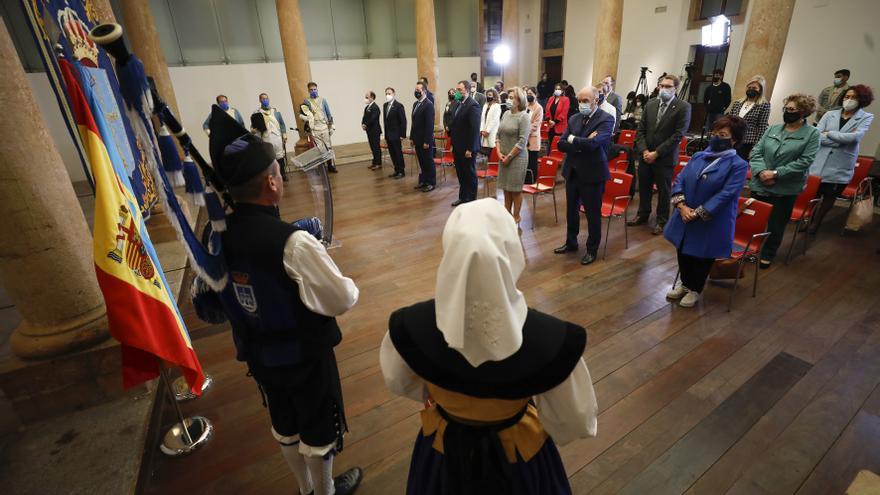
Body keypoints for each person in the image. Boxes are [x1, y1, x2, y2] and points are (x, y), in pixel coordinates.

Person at [380, 198, 598, 495]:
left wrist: (447, 394)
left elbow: (399, 381)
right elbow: (574, 420)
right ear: (511, 252)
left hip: (442, 451)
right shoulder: (553, 339)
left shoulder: (409, 325)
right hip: (520, 459)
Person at [198, 106, 363, 495]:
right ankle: (322, 493)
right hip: (304, 357)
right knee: (318, 427)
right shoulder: (293, 243)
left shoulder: (215, 233)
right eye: (278, 172)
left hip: (257, 354)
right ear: (273, 184)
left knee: (285, 422)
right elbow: (342, 298)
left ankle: (304, 489)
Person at [664, 116, 749, 307]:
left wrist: (698, 213)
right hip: (685, 214)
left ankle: (695, 289)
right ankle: (685, 284)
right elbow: (680, 180)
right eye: (715, 133)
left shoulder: (738, 165)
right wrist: (682, 206)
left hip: (711, 219)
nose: (716, 137)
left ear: (734, 139)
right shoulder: (699, 156)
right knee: (683, 249)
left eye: (723, 135)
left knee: (702, 255)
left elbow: (726, 194)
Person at [749, 93, 820, 268]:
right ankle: (749, 249)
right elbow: (756, 152)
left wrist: (775, 174)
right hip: (760, 182)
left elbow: (805, 161)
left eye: (792, 109)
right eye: (786, 108)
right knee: (754, 220)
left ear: (803, 112)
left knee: (776, 224)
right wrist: (761, 172)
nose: (787, 112)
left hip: (785, 187)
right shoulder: (772, 129)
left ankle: (768, 253)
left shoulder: (812, 134)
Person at [553, 86, 615, 265]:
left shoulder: (606, 119)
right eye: (579, 101)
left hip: (592, 173)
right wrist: (581, 141)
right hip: (572, 171)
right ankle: (571, 242)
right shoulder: (574, 118)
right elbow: (561, 143)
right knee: (571, 210)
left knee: (592, 213)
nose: (581, 104)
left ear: (596, 100)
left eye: (585, 101)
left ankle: (591, 249)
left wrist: (574, 139)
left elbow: (595, 144)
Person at [629, 75, 692, 235]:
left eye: (668, 86)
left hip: (664, 157)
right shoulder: (651, 104)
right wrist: (644, 151)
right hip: (645, 155)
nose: (663, 89)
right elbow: (640, 130)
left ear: (675, 88)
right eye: (661, 86)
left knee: (664, 191)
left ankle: (662, 220)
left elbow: (678, 135)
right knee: (644, 187)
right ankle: (642, 214)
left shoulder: (683, 107)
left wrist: (656, 153)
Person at [808, 84, 874, 234]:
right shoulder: (830, 114)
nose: (849, 100)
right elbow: (817, 135)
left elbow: (855, 137)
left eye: (854, 97)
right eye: (847, 96)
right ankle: (809, 219)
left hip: (840, 164)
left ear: (862, 100)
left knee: (830, 196)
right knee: (814, 194)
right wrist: (839, 139)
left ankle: (816, 223)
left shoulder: (866, 117)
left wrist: (829, 133)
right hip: (820, 161)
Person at [496, 87, 532, 226]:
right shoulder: (505, 114)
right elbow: (498, 135)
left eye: (512, 98)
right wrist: (499, 153)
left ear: (519, 100)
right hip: (503, 156)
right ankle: (507, 216)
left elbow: (522, 141)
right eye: (508, 97)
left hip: (517, 158)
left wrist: (509, 157)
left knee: (515, 190)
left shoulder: (524, 117)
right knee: (506, 188)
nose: (508, 100)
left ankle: (516, 217)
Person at [449, 80, 481, 206]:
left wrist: (470, 148)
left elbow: (474, 129)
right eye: (456, 90)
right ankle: (463, 197)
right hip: (457, 146)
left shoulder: (473, 105)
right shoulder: (458, 104)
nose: (457, 92)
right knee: (461, 174)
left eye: (460, 90)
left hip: (467, 148)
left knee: (470, 174)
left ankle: (471, 200)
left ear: (467, 90)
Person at [726, 75, 770, 160]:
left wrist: (755, 148)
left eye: (754, 88)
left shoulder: (764, 105)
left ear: (760, 90)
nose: (751, 89)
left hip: (747, 143)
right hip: (732, 139)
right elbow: (729, 120)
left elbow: (762, 128)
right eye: (749, 87)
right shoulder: (737, 102)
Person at [300, 82, 337, 173]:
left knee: (328, 147)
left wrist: (331, 125)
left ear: (317, 89)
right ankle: (322, 168)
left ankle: (330, 166)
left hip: (324, 126)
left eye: (315, 89)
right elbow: (301, 115)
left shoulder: (323, 100)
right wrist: (307, 118)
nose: (313, 91)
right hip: (315, 128)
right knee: (320, 149)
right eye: (311, 90)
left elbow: (328, 113)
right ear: (308, 91)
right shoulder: (306, 102)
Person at [253, 93, 289, 180]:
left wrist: (284, 134)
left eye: (266, 98)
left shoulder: (275, 111)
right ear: (260, 100)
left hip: (277, 137)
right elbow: (254, 126)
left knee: (280, 156)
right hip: (266, 138)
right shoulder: (257, 113)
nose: (265, 100)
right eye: (263, 99)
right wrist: (253, 130)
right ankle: (273, 176)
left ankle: (282, 174)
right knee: (270, 158)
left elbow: (281, 124)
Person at [411, 81, 436, 192]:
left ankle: (431, 182)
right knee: (422, 161)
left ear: (424, 91)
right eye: (415, 90)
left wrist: (427, 141)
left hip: (425, 140)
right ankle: (424, 181)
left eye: (418, 90)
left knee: (428, 161)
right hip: (417, 139)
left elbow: (429, 125)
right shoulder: (416, 104)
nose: (416, 92)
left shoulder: (429, 105)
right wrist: (412, 137)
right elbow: (414, 122)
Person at [383, 87, 407, 179]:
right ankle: (396, 170)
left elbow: (403, 121)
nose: (387, 95)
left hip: (396, 134)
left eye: (389, 93)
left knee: (398, 153)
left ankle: (401, 171)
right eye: (386, 94)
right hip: (388, 134)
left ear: (394, 94)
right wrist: (385, 134)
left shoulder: (399, 106)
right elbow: (385, 121)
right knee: (392, 153)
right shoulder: (385, 105)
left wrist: (402, 134)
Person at [525, 86, 544, 184]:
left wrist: (524, 131)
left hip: (532, 138)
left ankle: (532, 181)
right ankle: (525, 180)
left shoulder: (539, 108)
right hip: (524, 138)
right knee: (525, 161)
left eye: (531, 94)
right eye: (527, 94)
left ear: (535, 95)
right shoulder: (526, 106)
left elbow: (535, 125)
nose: (529, 96)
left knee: (532, 161)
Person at [544, 83, 570, 149]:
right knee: (550, 144)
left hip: (560, 126)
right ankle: (549, 157)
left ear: (562, 91)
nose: (557, 90)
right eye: (556, 89)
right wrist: (549, 120)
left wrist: (555, 122)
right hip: (550, 126)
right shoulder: (551, 99)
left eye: (559, 89)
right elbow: (547, 111)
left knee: (557, 146)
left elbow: (564, 113)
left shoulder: (566, 99)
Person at [362, 91, 382, 170]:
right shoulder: (367, 107)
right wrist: (363, 124)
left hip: (375, 131)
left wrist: (366, 124)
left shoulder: (375, 107)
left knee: (376, 147)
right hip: (369, 131)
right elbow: (364, 117)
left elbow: (373, 119)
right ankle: (374, 162)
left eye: (367, 97)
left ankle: (378, 163)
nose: (366, 99)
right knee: (372, 147)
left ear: (372, 97)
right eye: (365, 97)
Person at [480, 88, 502, 156]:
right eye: (487, 95)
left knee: (492, 150)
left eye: (490, 95)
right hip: (484, 132)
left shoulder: (497, 106)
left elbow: (494, 120)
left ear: (494, 96)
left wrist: (487, 131)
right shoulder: (485, 105)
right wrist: (482, 130)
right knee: (484, 151)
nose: (488, 96)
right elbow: (482, 119)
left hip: (492, 131)